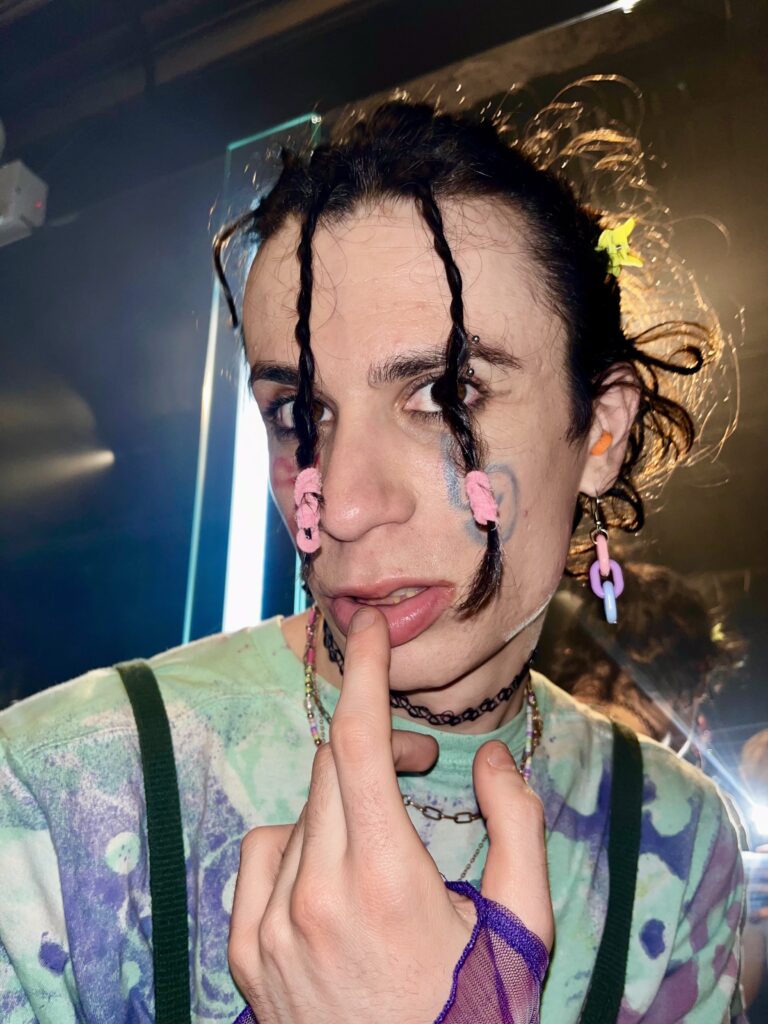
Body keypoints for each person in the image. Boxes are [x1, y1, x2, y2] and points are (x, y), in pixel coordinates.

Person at [0, 93, 746, 1023]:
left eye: (444, 394)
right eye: (297, 413)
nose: (346, 506)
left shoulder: (676, 846)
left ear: (600, 429)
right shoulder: (54, 796)